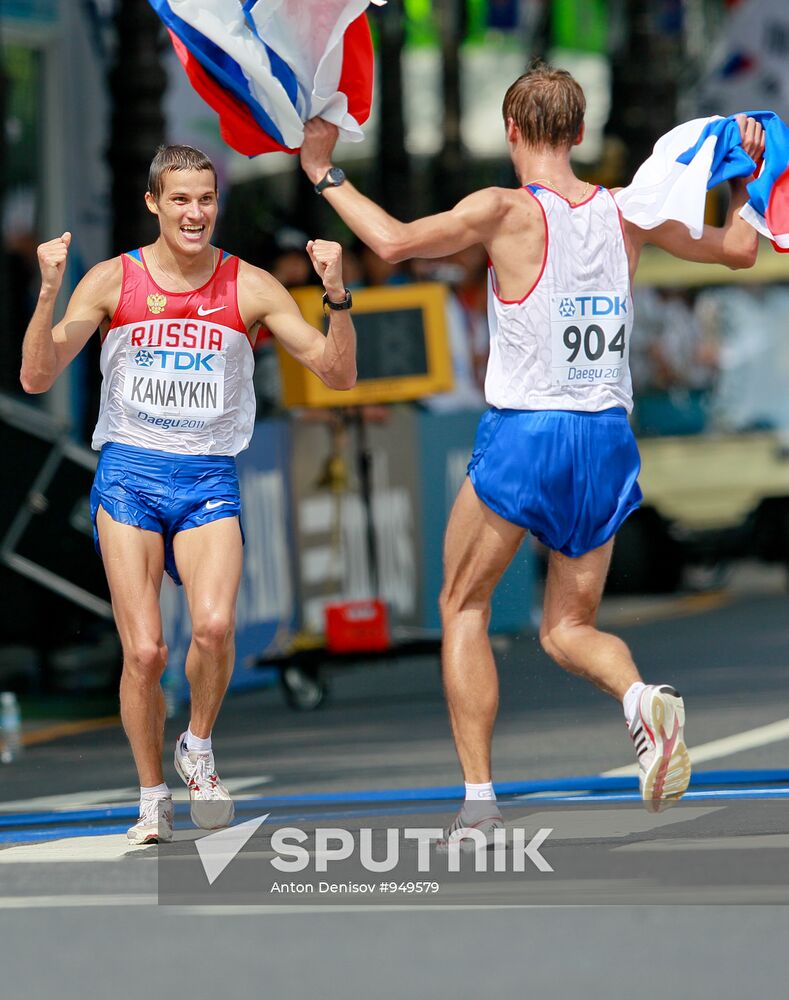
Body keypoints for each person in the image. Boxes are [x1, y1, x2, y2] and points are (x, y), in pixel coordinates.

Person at [299, 62, 763, 830]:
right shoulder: (628, 210)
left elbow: (392, 242)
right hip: (607, 435)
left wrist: (323, 173)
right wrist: (744, 176)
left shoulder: (502, 208)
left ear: (511, 132)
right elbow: (739, 251)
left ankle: (479, 799)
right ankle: (638, 698)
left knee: (462, 605)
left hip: (527, 431)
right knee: (567, 628)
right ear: (578, 134)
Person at [21, 144, 356, 844]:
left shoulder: (250, 286)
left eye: (205, 198)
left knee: (213, 628)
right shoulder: (115, 280)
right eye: (180, 199)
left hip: (206, 476)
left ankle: (197, 745)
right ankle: (151, 796)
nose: (194, 212)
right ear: (154, 203)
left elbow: (337, 373)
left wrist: (335, 296)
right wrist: (49, 289)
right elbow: (37, 377)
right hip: (131, 477)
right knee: (144, 652)